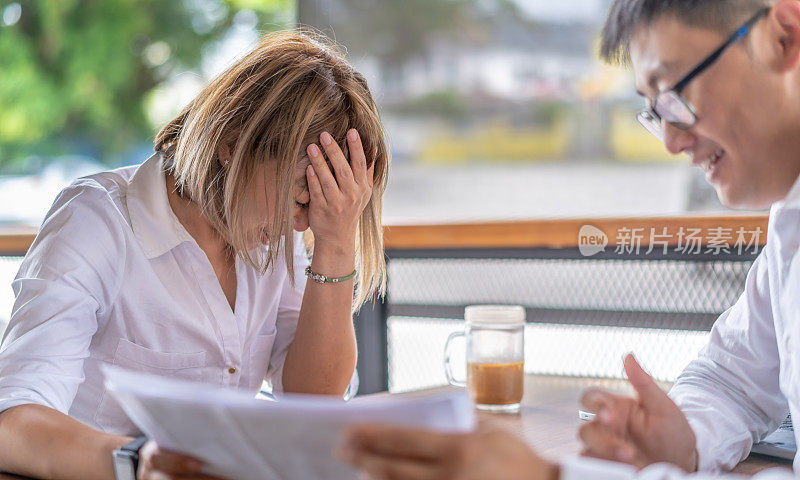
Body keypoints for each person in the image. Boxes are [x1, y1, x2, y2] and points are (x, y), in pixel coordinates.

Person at [340, 0, 800, 478]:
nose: (671, 141)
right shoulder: (789, 219)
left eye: (677, 92)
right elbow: (732, 381)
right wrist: (687, 440)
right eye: (656, 112)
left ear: (783, 37)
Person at [0, 30, 389, 480]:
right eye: (301, 199)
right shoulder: (97, 222)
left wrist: (336, 245)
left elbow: (313, 402)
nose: (300, 227)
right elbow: (12, 422)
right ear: (232, 144)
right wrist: (140, 463)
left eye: (323, 209)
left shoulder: (270, 235)